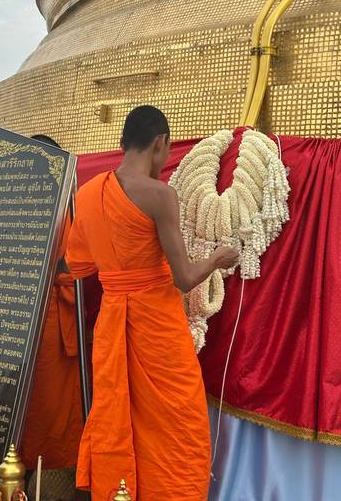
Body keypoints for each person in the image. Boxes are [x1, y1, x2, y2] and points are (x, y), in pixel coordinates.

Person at [65, 106, 238, 501]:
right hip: (157, 328)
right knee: (180, 423)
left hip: (112, 323)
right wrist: (216, 259)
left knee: (117, 415)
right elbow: (184, 277)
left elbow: (77, 263)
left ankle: (119, 491)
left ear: (124, 143)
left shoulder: (89, 193)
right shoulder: (160, 195)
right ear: (161, 143)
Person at [20, 135, 83, 495]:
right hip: (47, 329)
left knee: (44, 417)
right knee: (48, 420)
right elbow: (74, 271)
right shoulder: (53, 207)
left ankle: (31, 480)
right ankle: (42, 485)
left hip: (37, 325)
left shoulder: (58, 206)